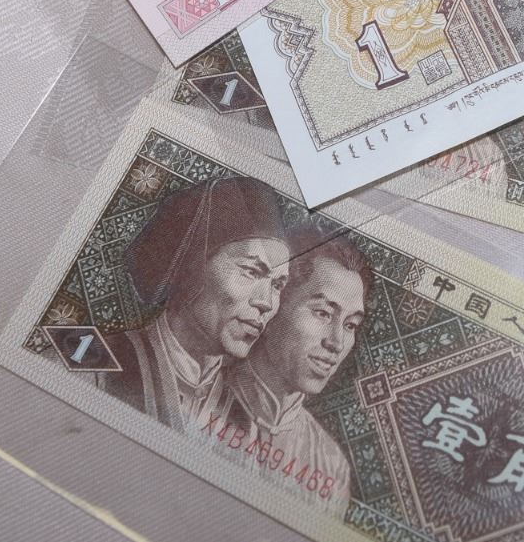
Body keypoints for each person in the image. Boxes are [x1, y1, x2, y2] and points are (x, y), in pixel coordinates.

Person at [99, 176, 290, 431]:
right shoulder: (99, 365)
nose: (265, 302)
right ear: (193, 267)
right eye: (251, 271)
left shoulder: (244, 423)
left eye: (277, 285)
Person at [217, 227, 372, 514]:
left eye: (350, 325)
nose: (336, 342)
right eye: (323, 313)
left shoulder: (331, 466)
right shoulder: (195, 395)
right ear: (275, 306)